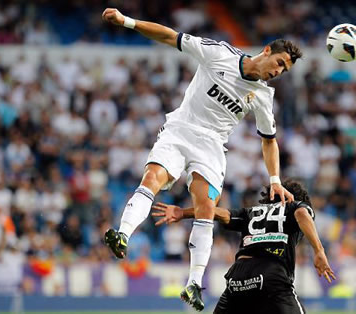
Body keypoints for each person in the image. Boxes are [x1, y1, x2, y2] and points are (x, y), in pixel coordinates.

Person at [101, 7, 302, 311]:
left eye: (284, 70)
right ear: (266, 51)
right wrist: (126, 21)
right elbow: (170, 36)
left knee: (205, 207)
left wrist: (274, 178)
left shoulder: (262, 96)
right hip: (180, 130)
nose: (278, 71)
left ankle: (194, 284)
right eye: (279, 63)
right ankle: (123, 234)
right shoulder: (218, 53)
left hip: (211, 147)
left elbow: (269, 141)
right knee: (152, 178)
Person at [152, 179, 336, 314]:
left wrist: (182, 212)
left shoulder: (250, 212)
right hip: (271, 273)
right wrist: (319, 251)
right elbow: (302, 213)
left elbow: (220, 214)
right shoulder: (295, 206)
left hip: (238, 276)